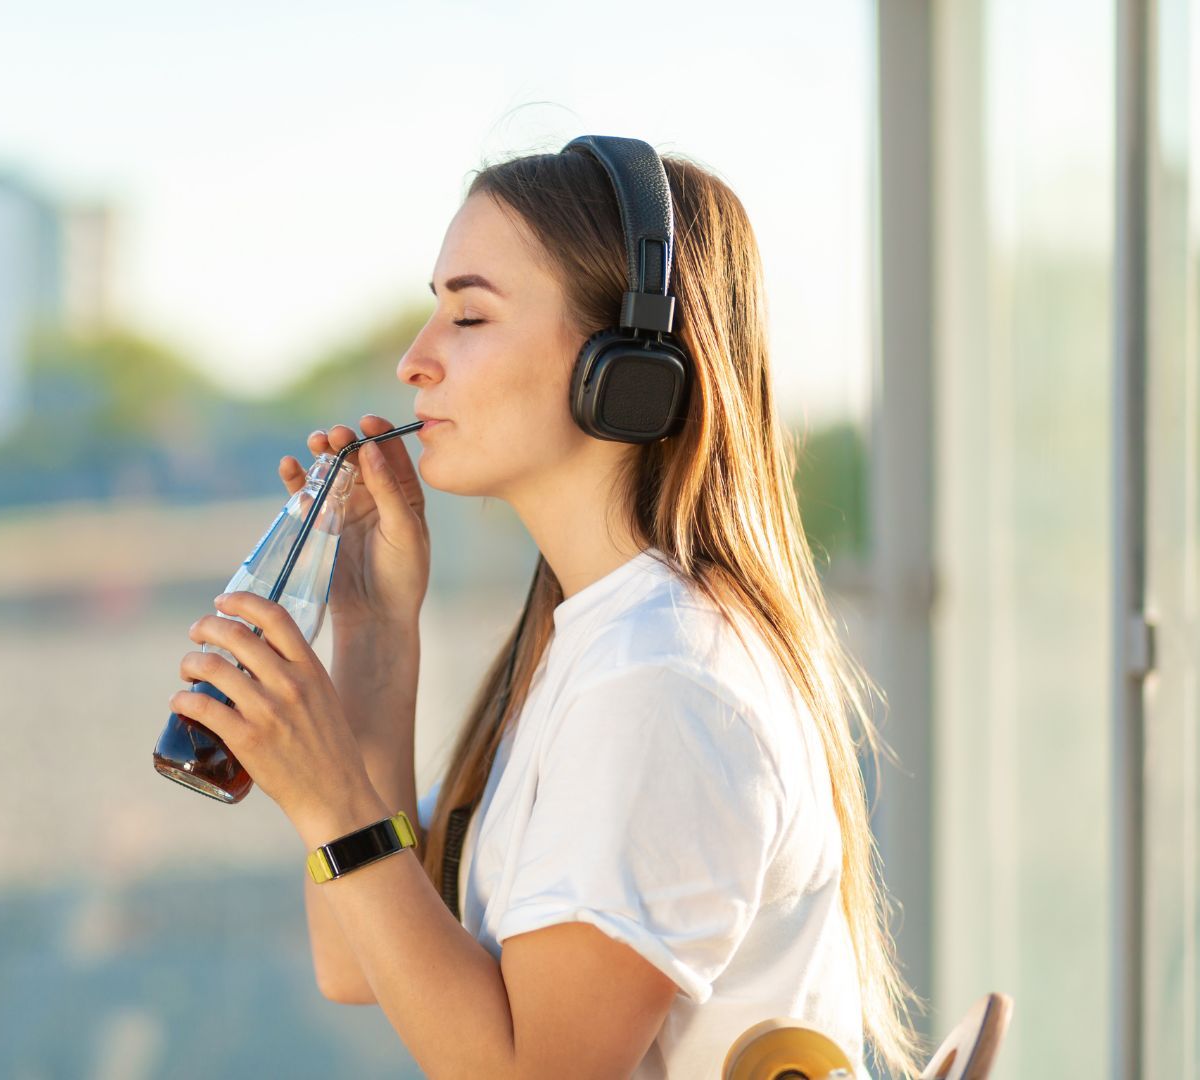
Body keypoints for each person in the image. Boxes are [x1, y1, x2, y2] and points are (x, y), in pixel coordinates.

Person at [173, 144, 927, 1078]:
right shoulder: (597, 642)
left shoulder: (660, 684)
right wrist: (375, 632)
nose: (415, 361)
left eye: (469, 314)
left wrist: (330, 799)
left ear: (623, 368)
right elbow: (352, 961)